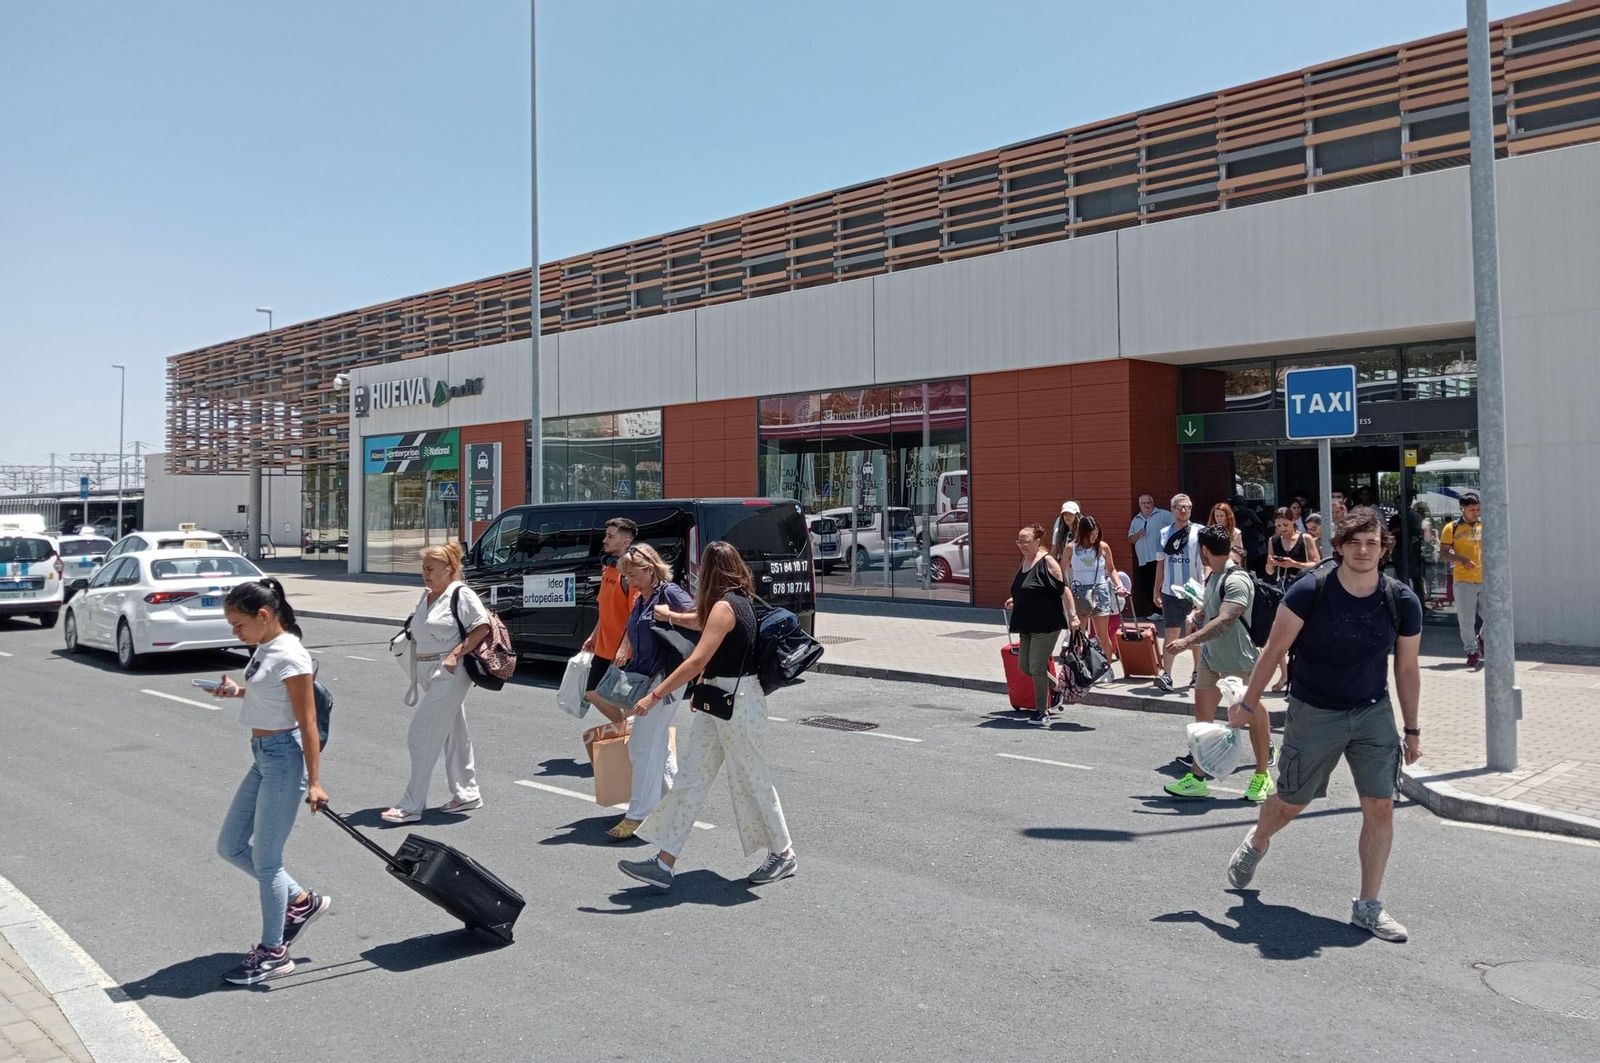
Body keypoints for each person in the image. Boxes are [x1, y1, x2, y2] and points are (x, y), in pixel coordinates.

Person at [1223, 507, 1424, 942]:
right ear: (1339, 547)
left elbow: (1407, 669)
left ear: (1384, 548)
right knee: (1292, 802)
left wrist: (1411, 730)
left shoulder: (1401, 599)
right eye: (1354, 542)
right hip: (1315, 710)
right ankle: (1258, 839)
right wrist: (1248, 703)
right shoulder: (1309, 589)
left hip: (1373, 712)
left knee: (1380, 806)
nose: (1364, 550)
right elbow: (1274, 651)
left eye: (1372, 543)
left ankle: (1368, 907)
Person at [618, 542, 797, 890]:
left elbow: (698, 659)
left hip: (736, 702)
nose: (698, 576)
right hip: (721, 699)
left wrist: (654, 696)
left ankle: (784, 852)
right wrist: (671, 619)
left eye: (702, 569)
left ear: (712, 570)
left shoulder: (726, 607)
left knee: (751, 779)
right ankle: (664, 862)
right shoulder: (735, 602)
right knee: (691, 779)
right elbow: (702, 628)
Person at [210, 579, 332, 985]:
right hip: (262, 758)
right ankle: (300, 901)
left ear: (263, 616)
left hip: (283, 760)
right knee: (230, 846)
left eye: (238, 624)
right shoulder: (264, 648)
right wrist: (238, 692)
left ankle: (274, 952)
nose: (235, 632)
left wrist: (315, 781)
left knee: (267, 861)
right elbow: (269, 694)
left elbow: (308, 721)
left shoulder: (292, 656)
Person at [1161, 526, 1274, 803]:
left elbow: (1227, 619)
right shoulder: (1214, 576)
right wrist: (1200, 617)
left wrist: (1189, 641)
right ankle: (1198, 778)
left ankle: (1262, 776)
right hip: (1212, 658)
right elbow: (1213, 615)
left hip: (1239, 659)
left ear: (1204, 550)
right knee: (1203, 715)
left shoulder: (1237, 580)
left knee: (1251, 714)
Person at [382, 543, 492, 824]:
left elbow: (482, 626)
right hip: (427, 671)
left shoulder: (461, 593)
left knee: (421, 735)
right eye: (423, 568)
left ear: (449, 569)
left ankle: (411, 804)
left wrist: (455, 655)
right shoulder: (428, 595)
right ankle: (467, 794)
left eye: (430, 568)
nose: (425, 573)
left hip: (450, 671)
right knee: (454, 734)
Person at [605, 542, 695, 839]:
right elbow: (639, 630)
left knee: (641, 745)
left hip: (667, 678)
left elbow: (703, 620)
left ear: (650, 568)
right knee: (656, 743)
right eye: (626, 576)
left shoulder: (670, 593)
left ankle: (639, 814)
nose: (629, 581)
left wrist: (670, 616)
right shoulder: (643, 598)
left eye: (632, 575)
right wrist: (625, 647)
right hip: (649, 678)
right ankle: (673, 805)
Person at [1006, 524, 1082, 723]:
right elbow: (1028, 588)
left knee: (1037, 666)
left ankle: (1042, 711)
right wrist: (1016, 600)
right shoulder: (1025, 560)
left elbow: (1064, 590)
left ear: (1038, 541)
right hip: (1026, 622)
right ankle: (1057, 690)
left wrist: (1073, 616)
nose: (1021, 545)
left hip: (1047, 623)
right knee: (1024, 666)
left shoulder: (1048, 561)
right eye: (1018, 541)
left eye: (1025, 541)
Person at [583, 517, 642, 722]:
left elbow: (636, 612)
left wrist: (625, 647)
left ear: (626, 542)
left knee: (627, 701)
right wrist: (593, 636)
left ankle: (628, 743)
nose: (604, 540)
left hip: (625, 650)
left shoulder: (632, 572)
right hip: (604, 646)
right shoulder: (608, 566)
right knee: (592, 691)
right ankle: (622, 731)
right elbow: (605, 607)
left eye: (610, 536)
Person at [1265, 507, 1320, 693]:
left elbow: (1316, 563)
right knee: (1279, 633)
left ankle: (1304, 673)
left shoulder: (1305, 539)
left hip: (1302, 585)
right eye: (1279, 525)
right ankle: (1284, 675)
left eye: (1286, 525)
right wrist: (1272, 564)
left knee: (1303, 632)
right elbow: (1269, 571)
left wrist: (1293, 564)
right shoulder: (1273, 540)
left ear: (1294, 522)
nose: (1282, 529)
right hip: (1281, 588)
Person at [1154, 494, 1202, 689]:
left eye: (1187, 507)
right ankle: (1167, 675)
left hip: (1194, 590)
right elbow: (1160, 563)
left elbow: (1206, 561)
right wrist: (1156, 589)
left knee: (1196, 632)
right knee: (1171, 632)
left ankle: (1198, 672)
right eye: (1179, 507)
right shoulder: (1164, 533)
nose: (1183, 511)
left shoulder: (1200, 532)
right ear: (1172, 509)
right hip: (1170, 591)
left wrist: (1206, 585)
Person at [1069, 515, 1121, 671]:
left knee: (1102, 635)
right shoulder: (1072, 548)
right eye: (1091, 534)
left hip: (1099, 589)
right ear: (1082, 533)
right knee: (1079, 633)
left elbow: (1111, 569)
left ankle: (1108, 668)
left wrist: (1118, 585)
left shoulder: (1102, 547)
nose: (1094, 537)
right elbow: (1061, 568)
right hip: (1080, 590)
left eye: (1096, 534)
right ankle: (1081, 666)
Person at [1439, 492, 1484, 667]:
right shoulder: (1452, 528)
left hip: (1485, 579)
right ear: (1462, 509)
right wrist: (1462, 560)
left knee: (1493, 617)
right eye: (1472, 510)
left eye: (1478, 509)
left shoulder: (1483, 525)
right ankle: (1471, 651)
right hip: (1464, 580)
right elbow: (1443, 554)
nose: (1475, 513)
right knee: (1466, 620)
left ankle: (1482, 638)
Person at [1128, 494, 1175, 619]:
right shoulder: (1136, 520)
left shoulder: (1163, 515)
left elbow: (1178, 525)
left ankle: (1166, 611)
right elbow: (1131, 539)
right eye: (1144, 503)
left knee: (1162, 585)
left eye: (1149, 502)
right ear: (1140, 505)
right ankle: (1157, 611)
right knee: (1147, 586)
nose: (1147, 505)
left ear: (1153, 503)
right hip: (1144, 559)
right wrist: (1138, 534)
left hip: (1160, 558)